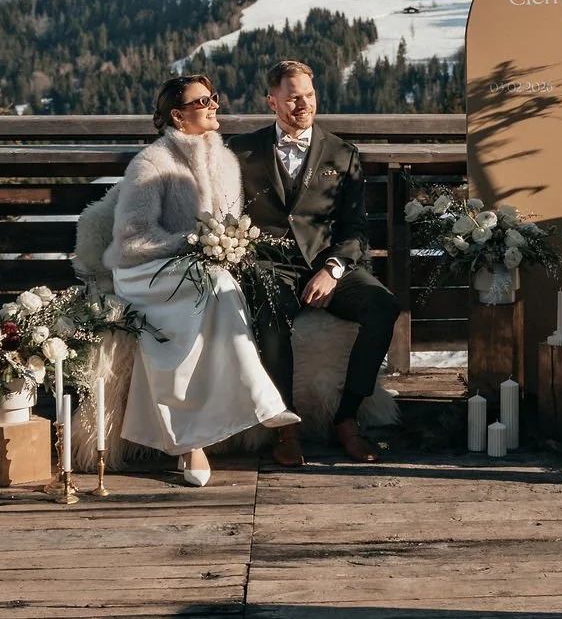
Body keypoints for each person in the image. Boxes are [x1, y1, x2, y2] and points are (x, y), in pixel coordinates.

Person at [106, 73, 300, 486]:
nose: (215, 105)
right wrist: (193, 244)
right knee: (216, 286)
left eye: (215, 97)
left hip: (204, 269)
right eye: (203, 102)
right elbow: (131, 238)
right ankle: (250, 411)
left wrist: (225, 247)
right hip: (145, 271)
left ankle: (208, 433)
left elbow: (229, 225)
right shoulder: (151, 163)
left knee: (218, 285)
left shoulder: (226, 161)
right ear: (177, 116)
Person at [228, 60, 400, 467]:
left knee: (383, 306)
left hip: (329, 265)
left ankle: (347, 419)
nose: (302, 104)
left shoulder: (343, 154)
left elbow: (357, 229)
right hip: (270, 267)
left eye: (308, 96)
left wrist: (334, 269)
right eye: (292, 98)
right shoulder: (241, 151)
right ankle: (285, 429)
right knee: (270, 316)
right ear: (272, 101)